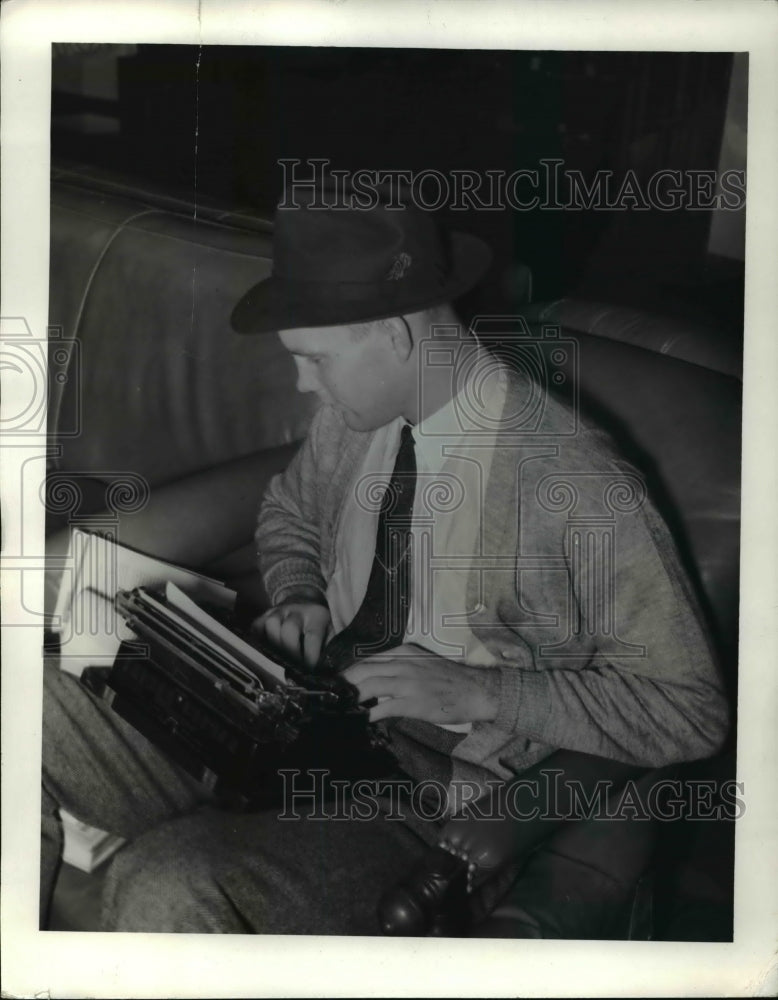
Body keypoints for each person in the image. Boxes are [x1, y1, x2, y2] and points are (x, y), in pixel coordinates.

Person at [40, 184, 729, 935]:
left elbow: (692, 710)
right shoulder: (356, 418)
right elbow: (289, 511)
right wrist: (299, 588)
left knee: (167, 887)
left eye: (315, 360)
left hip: (422, 793)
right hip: (293, 720)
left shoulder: (576, 485)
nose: (304, 384)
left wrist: (480, 692)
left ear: (395, 335)